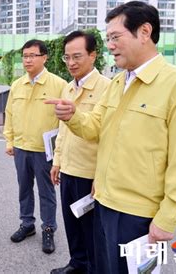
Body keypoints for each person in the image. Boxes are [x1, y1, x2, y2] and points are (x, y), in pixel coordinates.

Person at [45, 1, 176, 273]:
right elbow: (95, 127)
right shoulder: (119, 82)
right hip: (104, 202)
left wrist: (167, 218)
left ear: (144, 32)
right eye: (108, 38)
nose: (110, 45)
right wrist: (73, 116)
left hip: (140, 214)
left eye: (115, 37)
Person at [50, 31, 110, 274]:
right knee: (72, 224)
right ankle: (77, 264)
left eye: (77, 56)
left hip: (90, 172)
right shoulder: (68, 88)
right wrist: (57, 161)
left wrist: (101, 175)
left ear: (93, 55)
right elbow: (63, 130)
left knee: (93, 230)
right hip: (69, 169)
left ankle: (94, 269)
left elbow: (108, 136)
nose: (71, 63)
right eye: (66, 58)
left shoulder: (107, 88)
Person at [3, 39, 67, 254]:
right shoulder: (17, 85)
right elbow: (9, 115)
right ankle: (27, 224)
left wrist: (59, 153)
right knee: (24, 188)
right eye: (25, 56)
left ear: (44, 57)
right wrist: (9, 141)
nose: (27, 60)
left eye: (32, 55)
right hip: (21, 147)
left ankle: (48, 227)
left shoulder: (59, 85)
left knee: (46, 191)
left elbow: (65, 122)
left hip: (45, 150)